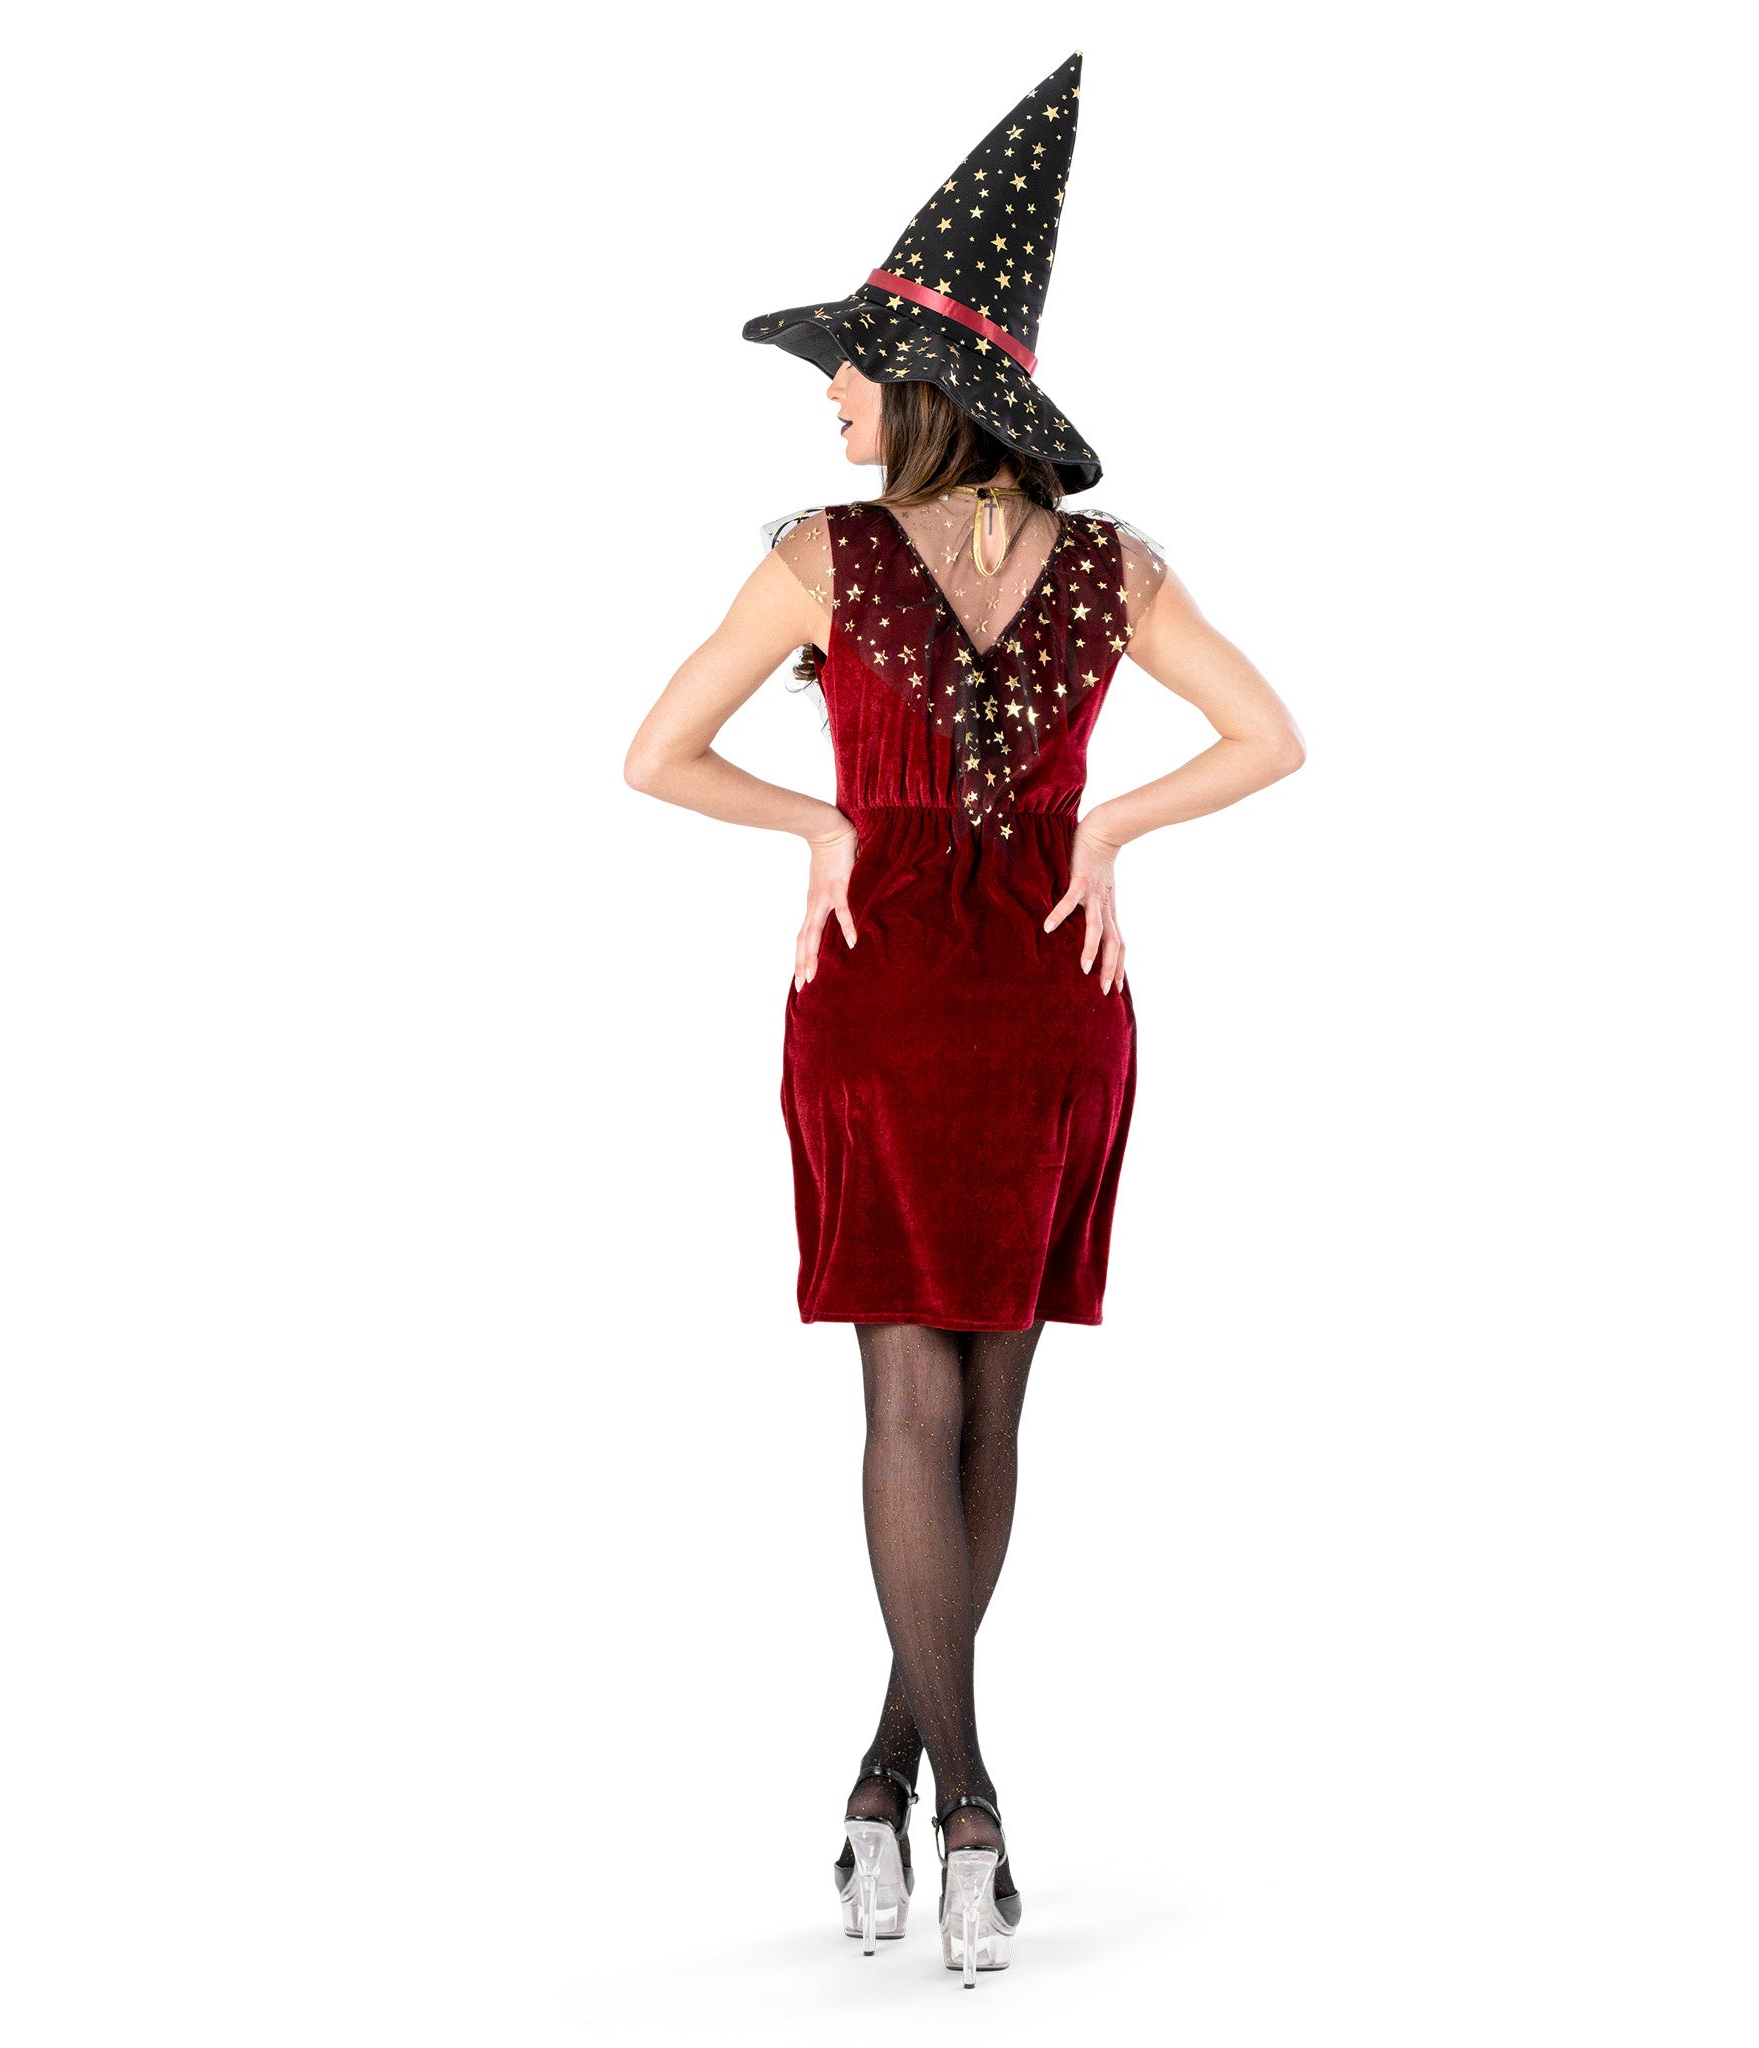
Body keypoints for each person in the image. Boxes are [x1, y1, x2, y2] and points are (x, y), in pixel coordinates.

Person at [623, 52, 1304, 1986]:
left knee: (904, 1400)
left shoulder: (818, 559)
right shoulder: (1114, 566)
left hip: (881, 983)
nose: (829, 395)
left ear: (921, 383)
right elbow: (1267, 737)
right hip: (1052, 990)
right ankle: (921, 1796)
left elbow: (655, 756)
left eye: (845, 366)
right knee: (990, 1405)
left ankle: (938, 1796)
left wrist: (826, 821)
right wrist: (1107, 827)